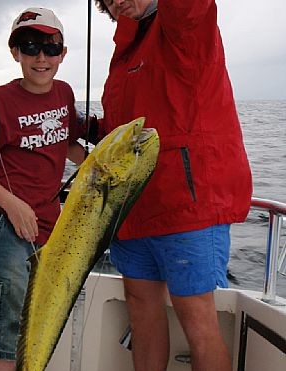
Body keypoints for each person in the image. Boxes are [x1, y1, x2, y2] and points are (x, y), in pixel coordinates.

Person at [93, 1, 252, 371]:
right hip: (132, 208)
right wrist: (89, 128)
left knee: (198, 322)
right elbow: (129, 125)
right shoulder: (127, 47)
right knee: (141, 311)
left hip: (186, 206)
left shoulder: (183, 23)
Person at [0, 7, 85, 371]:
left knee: (33, 334)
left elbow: (67, 144)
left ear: (63, 53)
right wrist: (13, 205)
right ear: (15, 52)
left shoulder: (64, 93)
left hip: (47, 227)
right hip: (1, 228)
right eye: (30, 47)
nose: (41, 57)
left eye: (50, 47)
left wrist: (100, 165)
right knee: (5, 342)